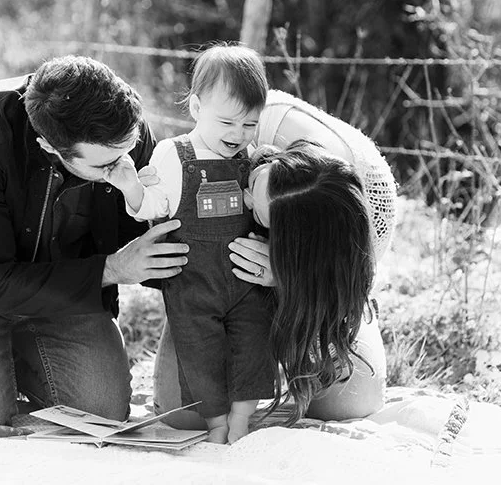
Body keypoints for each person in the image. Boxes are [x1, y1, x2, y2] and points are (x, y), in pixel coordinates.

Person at [0, 55, 189, 433]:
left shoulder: (122, 133)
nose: (124, 167)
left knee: (103, 412)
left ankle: (2, 366)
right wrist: (113, 268)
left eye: (128, 151)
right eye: (107, 167)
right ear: (49, 145)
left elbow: (154, 242)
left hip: (63, 289)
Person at [154, 89, 397, 426]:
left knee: (347, 405)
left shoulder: (369, 221)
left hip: (310, 280)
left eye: (261, 214)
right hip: (217, 261)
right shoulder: (248, 125)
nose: (245, 200)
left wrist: (284, 278)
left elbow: (335, 292)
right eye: (254, 183)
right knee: (182, 414)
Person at [105, 45, 275, 444]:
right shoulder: (174, 154)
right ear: (197, 108)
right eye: (228, 122)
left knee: (253, 345)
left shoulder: (252, 159)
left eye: (250, 125)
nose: (238, 135)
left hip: (246, 280)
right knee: (200, 353)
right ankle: (217, 422)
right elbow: (153, 205)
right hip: (192, 281)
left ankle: (242, 417)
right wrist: (131, 187)